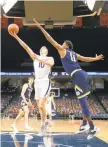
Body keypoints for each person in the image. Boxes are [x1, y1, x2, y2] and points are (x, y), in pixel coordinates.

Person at [32, 18, 104, 140]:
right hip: (81, 75)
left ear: (66, 45)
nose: (62, 44)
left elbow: (50, 39)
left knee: (83, 103)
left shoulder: (63, 50)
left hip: (78, 76)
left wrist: (40, 27)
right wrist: (95, 59)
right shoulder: (74, 54)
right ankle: (84, 125)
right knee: (83, 102)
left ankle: (92, 127)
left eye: (63, 43)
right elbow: (85, 59)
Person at [9, 32, 54, 136]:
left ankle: (42, 126)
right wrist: (16, 36)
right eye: (42, 48)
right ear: (40, 51)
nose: (44, 49)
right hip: (37, 83)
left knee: (42, 104)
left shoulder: (50, 58)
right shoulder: (35, 56)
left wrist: (39, 59)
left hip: (45, 82)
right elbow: (25, 46)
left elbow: (51, 64)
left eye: (45, 49)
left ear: (47, 51)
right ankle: (45, 120)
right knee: (39, 106)